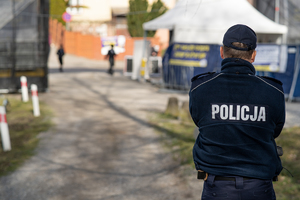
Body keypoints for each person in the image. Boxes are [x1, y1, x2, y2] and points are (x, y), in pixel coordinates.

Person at [189, 24, 285, 200]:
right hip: (259, 187)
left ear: (221, 52)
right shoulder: (274, 92)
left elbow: (199, 121)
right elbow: (275, 130)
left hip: (217, 186)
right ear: (253, 55)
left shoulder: (200, 88)